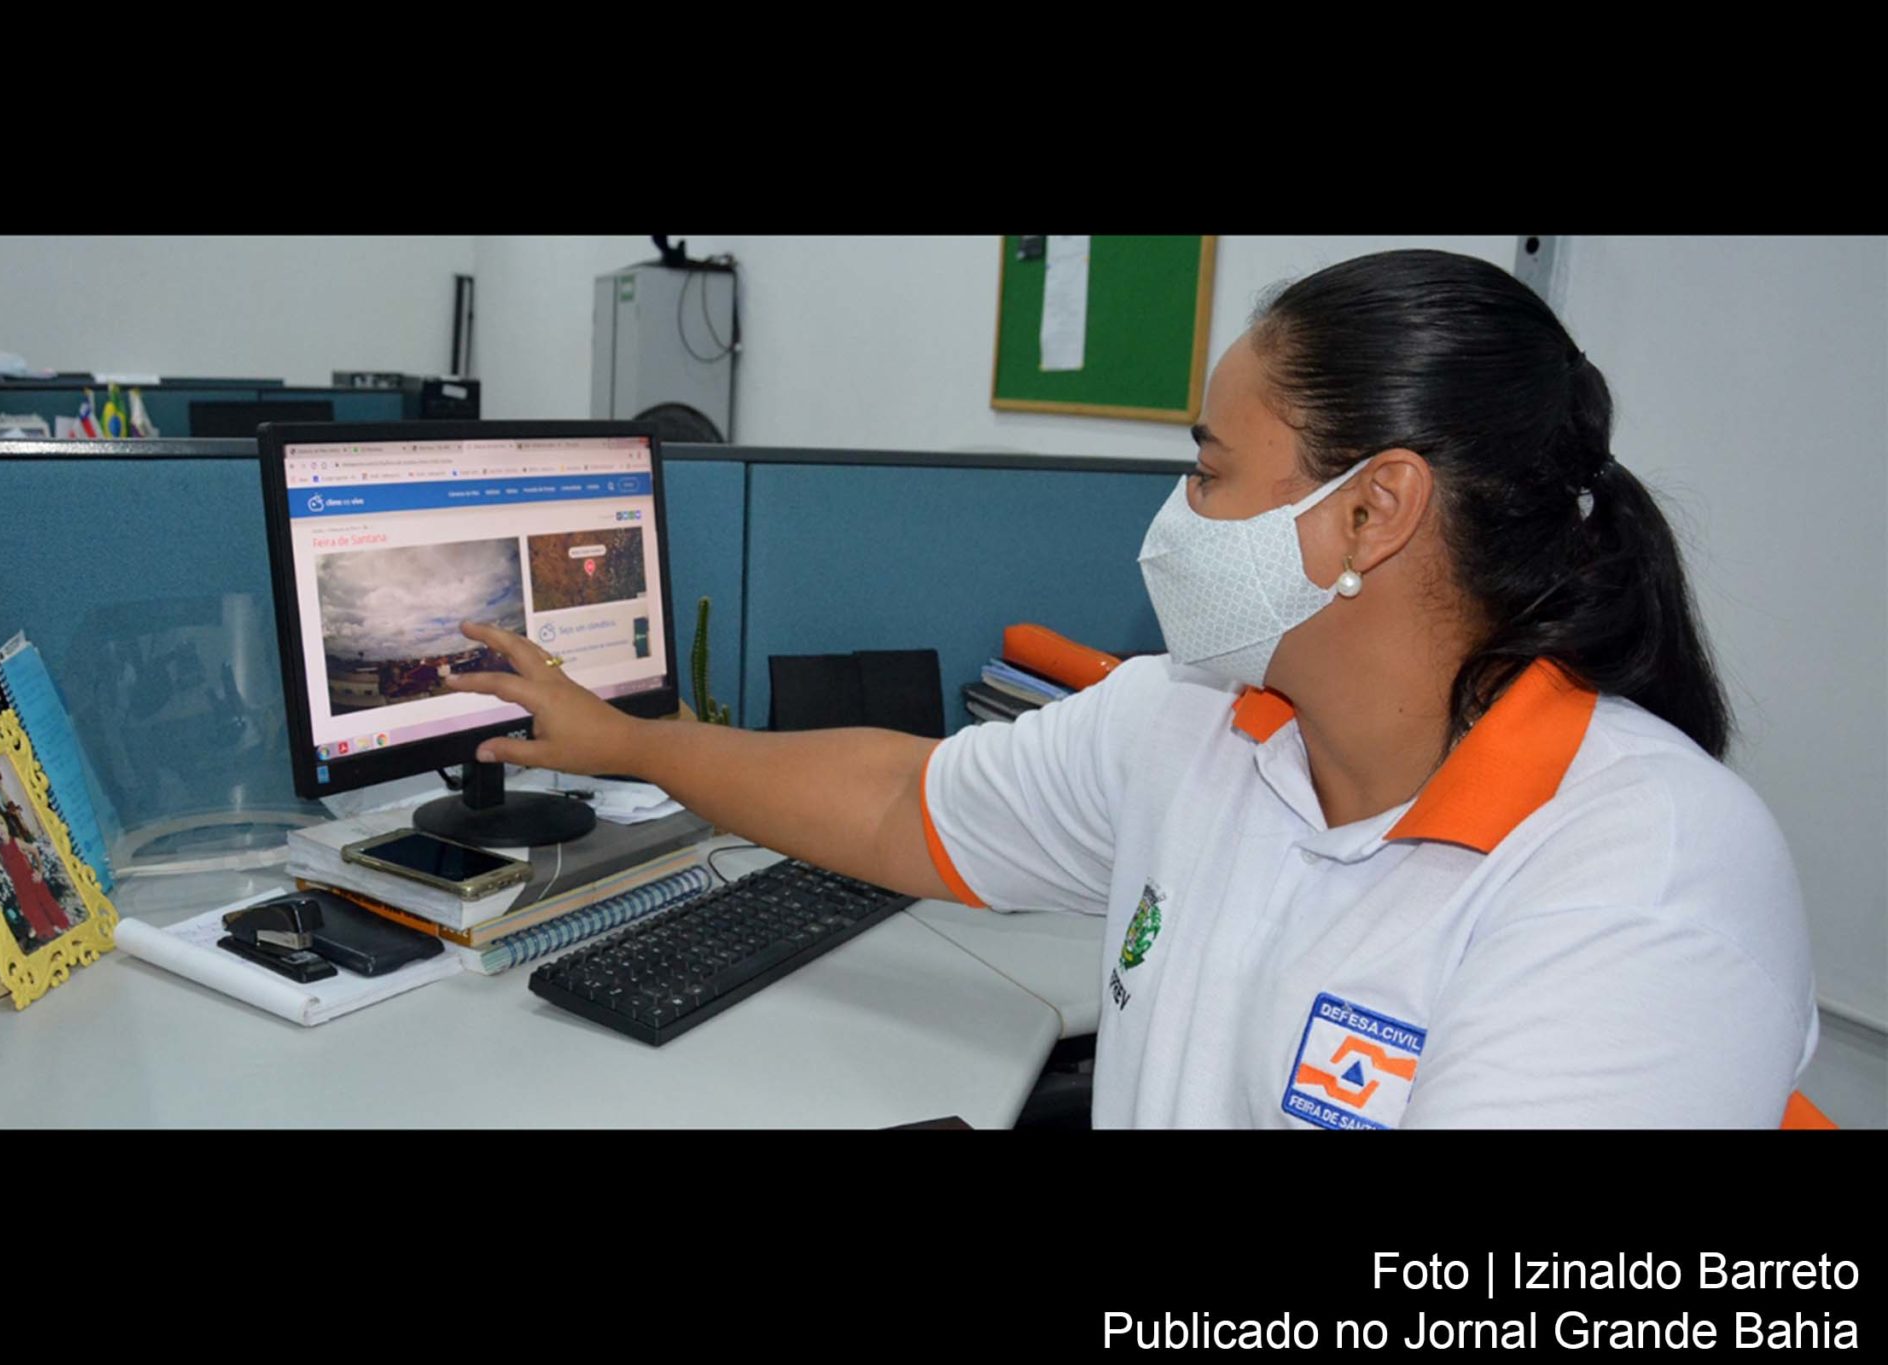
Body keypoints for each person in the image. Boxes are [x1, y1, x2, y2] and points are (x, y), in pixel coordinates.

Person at [445, 249, 1817, 1129]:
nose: (1175, 513)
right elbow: (896, 803)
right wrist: (635, 741)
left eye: (1212, 470)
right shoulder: (1202, 720)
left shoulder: (1645, 877)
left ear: (1372, 512)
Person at [0, 801, 74, 943]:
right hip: (21, 888)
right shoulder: (0, 850)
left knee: (48, 904)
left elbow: (35, 851)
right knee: (33, 912)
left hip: (32, 881)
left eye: (1, 823)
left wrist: (39, 871)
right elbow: (7, 868)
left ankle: (63, 927)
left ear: (6, 822)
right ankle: (48, 936)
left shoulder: (16, 842)